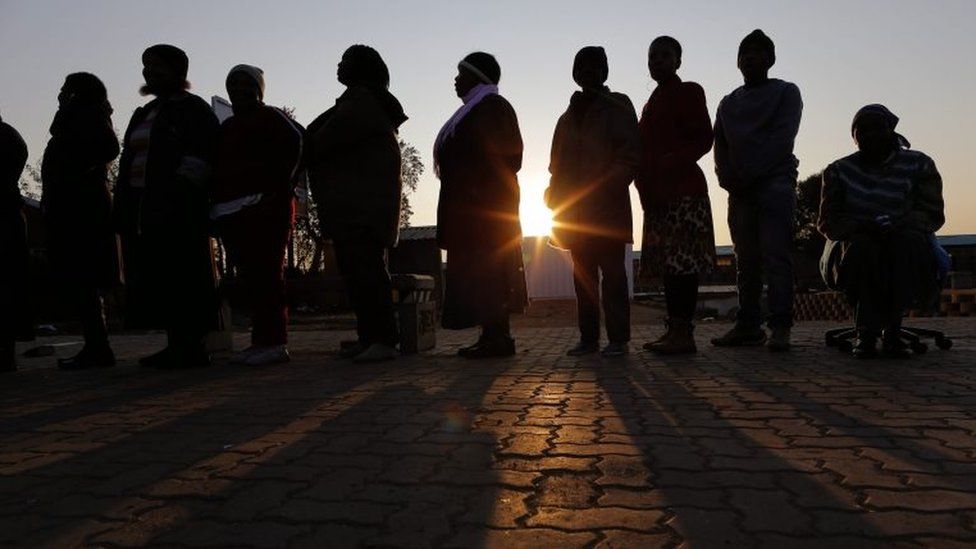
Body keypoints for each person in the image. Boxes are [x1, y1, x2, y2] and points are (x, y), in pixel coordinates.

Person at [113, 44, 221, 369]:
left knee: (184, 275)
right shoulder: (143, 113)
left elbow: (203, 153)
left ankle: (192, 345)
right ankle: (175, 343)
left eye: (156, 66)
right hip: (144, 210)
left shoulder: (194, 109)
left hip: (180, 209)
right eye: (145, 66)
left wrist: (181, 191)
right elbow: (129, 160)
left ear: (177, 71)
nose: (149, 73)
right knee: (159, 276)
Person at [818, 104, 945, 359]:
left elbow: (932, 214)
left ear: (892, 130)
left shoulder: (920, 164)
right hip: (854, 241)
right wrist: (862, 226)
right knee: (864, 249)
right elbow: (828, 222)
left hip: (906, 235)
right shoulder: (838, 171)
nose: (870, 135)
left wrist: (901, 223)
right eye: (862, 131)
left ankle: (893, 330)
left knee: (903, 245)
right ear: (854, 138)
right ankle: (865, 331)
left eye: (878, 128)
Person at [307, 45, 406, 363]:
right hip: (358, 206)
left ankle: (383, 340)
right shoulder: (361, 101)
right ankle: (370, 336)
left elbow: (323, 139)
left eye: (345, 61)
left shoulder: (360, 102)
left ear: (361, 69)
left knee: (367, 274)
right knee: (359, 273)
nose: (338, 65)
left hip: (361, 208)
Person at [712, 29, 803, 352]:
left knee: (776, 255)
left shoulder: (786, 92)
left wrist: (751, 173)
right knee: (745, 260)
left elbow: (782, 138)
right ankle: (748, 324)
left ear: (771, 59)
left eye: (757, 51)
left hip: (775, 185)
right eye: (744, 53)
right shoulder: (728, 103)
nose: (750, 57)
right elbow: (719, 145)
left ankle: (780, 326)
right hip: (739, 190)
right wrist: (727, 178)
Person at [547, 46, 639, 358]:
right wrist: (553, 195)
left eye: (594, 66)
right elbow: (555, 166)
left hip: (608, 208)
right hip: (574, 214)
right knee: (582, 277)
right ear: (574, 72)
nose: (588, 72)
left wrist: (603, 187)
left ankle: (618, 340)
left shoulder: (619, 106)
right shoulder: (565, 118)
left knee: (613, 275)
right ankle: (588, 339)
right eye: (582, 67)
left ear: (604, 71)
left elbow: (629, 155)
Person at [435, 52, 527, 359]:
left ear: (478, 77)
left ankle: (498, 338)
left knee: (490, 273)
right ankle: (490, 335)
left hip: (485, 212)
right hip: (473, 210)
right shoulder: (475, 110)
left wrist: (475, 190)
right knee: (481, 274)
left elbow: (509, 157)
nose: (456, 79)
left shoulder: (493, 108)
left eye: (462, 73)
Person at [212, 65, 303, 366]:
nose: (238, 89)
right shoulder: (227, 127)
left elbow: (298, 147)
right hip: (233, 212)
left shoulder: (272, 117)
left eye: (245, 83)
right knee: (251, 278)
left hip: (266, 209)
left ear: (259, 89)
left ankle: (275, 342)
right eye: (233, 83)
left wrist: (276, 191)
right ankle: (260, 340)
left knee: (267, 276)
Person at [636, 36, 717, 355]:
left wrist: (670, 162)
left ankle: (684, 333)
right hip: (658, 196)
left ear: (678, 61)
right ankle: (675, 330)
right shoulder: (650, 104)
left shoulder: (689, 92)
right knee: (670, 268)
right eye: (652, 56)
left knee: (683, 267)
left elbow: (704, 138)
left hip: (684, 192)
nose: (657, 61)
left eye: (664, 55)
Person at [41, 73, 121, 370]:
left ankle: (98, 348)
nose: (60, 93)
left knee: (85, 278)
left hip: (82, 212)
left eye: (65, 89)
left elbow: (107, 148)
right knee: (81, 281)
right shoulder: (77, 118)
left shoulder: (87, 115)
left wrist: (77, 172)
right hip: (74, 209)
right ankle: (95, 345)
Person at [0, 113, 30, 373]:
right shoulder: (11, 136)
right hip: (8, 214)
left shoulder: (6, 137)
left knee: (5, 289)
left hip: (4, 217)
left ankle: (5, 354)